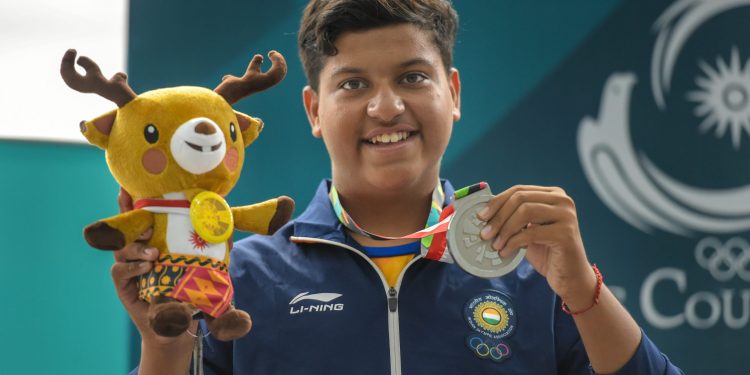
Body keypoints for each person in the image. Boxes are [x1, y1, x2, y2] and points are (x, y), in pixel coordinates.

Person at [116, 0, 684, 374]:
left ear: (453, 93)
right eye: (354, 83)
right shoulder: (239, 277)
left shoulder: (528, 267)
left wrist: (581, 288)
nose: (386, 107)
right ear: (314, 110)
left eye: (412, 77)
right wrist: (162, 349)